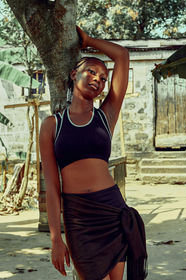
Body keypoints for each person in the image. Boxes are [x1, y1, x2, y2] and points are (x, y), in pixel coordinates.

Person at [39, 27, 147, 280]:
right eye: (91, 71)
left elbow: (121, 55)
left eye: (103, 77)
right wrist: (56, 237)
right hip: (79, 218)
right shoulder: (52, 125)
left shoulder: (105, 116)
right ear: (73, 73)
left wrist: (89, 41)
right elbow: (53, 187)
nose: (98, 79)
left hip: (112, 210)